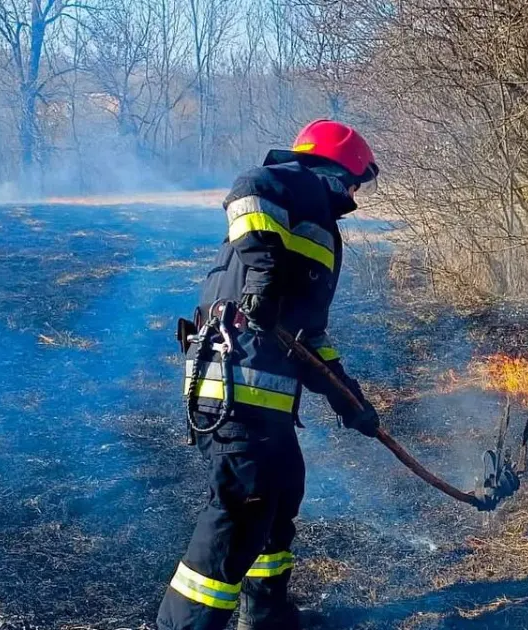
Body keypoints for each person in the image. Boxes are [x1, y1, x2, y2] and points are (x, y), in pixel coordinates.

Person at [158, 120, 382, 630]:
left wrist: (350, 400)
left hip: (268, 404)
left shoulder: (320, 223)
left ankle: (267, 617)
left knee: (279, 497)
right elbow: (247, 191)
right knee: (240, 511)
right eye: (355, 181)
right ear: (334, 166)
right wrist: (262, 276)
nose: (355, 193)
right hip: (233, 389)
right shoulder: (287, 182)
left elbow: (310, 340)